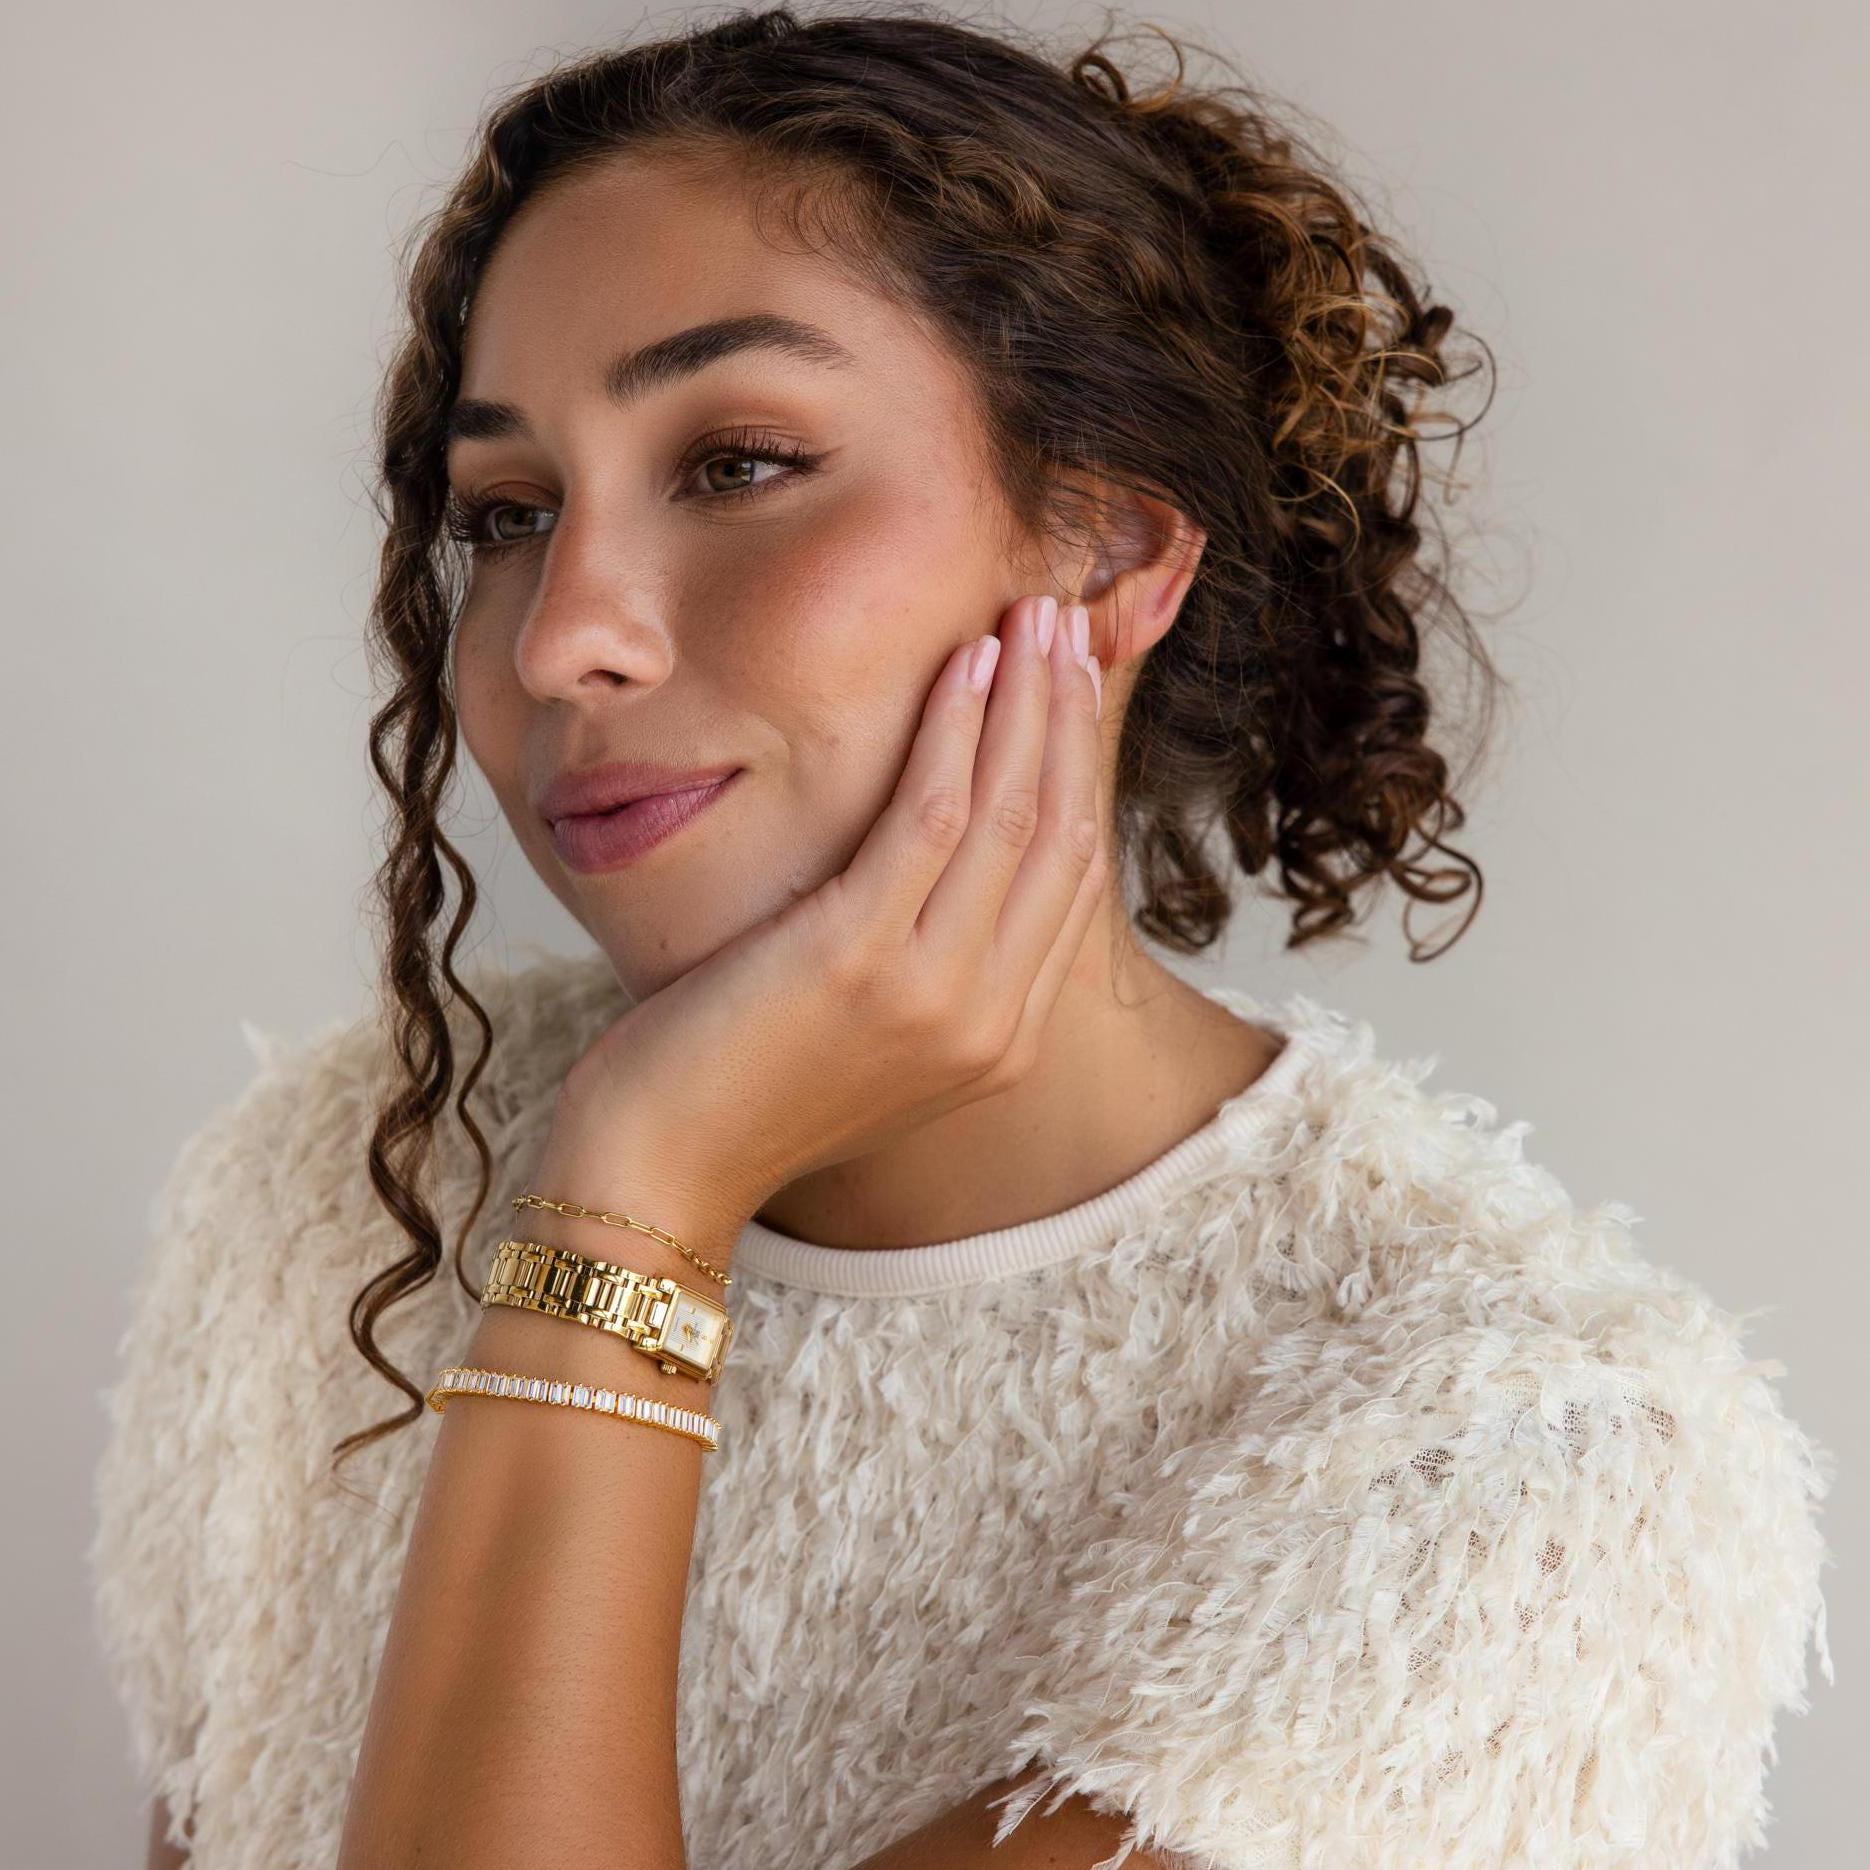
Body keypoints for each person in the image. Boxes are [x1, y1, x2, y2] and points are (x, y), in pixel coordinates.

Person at [89, 10, 1833, 1870]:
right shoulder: (348, 1196)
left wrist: (632, 1195)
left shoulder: (1512, 1465)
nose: (558, 637)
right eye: (509, 512)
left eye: (738, 460)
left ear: (1101, 549)